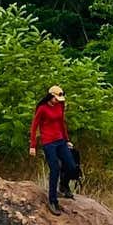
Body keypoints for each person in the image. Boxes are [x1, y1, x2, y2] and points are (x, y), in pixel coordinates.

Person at [30, 85, 77, 216]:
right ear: (50, 97)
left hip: (60, 140)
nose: (58, 101)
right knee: (54, 169)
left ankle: (64, 185)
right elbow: (34, 127)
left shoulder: (60, 105)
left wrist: (67, 140)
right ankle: (52, 200)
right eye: (56, 99)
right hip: (48, 142)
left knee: (71, 166)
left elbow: (62, 123)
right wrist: (33, 145)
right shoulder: (42, 108)